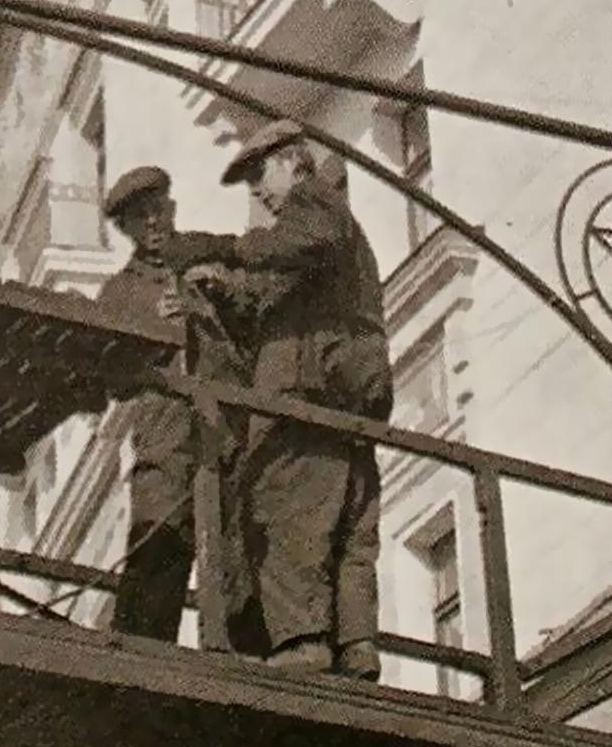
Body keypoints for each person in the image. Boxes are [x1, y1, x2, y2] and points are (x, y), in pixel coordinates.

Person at [163, 120, 392, 679]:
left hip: (307, 398)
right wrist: (222, 291)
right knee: (349, 522)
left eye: (259, 175)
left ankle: (303, 641)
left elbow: (299, 243)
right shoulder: (317, 249)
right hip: (345, 398)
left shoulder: (314, 204)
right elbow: (274, 304)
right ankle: (356, 644)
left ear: (292, 160)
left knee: (283, 503)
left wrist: (226, 248)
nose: (258, 192)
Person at [96, 166, 261, 647]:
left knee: (238, 555)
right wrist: (150, 334)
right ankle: (140, 661)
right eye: (139, 217)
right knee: (158, 545)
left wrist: (207, 307)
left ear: (171, 208)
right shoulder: (120, 293)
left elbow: (254, 339)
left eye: (158, 210)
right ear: (126, 228)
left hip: (227, 433)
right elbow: (114, 384)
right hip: (165, 439)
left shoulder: (209, 262)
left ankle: (244, 664)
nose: (153, 222)